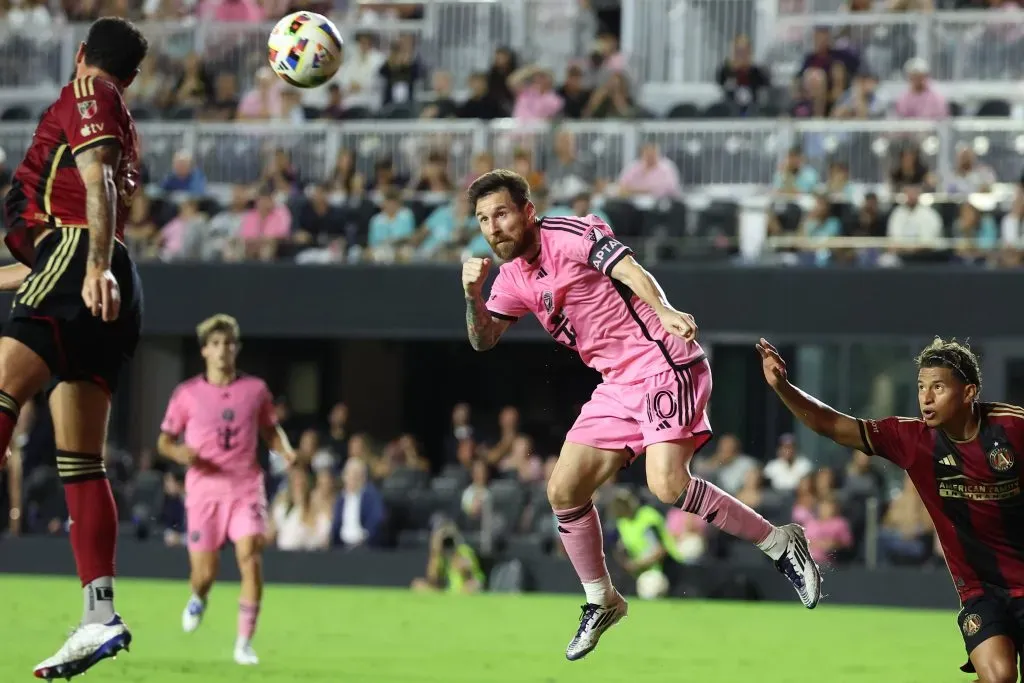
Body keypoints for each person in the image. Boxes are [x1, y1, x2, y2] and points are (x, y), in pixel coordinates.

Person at [461, 169, 821, 661]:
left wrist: (667, 310)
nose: (493, 227)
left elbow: (629, 269)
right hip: (618, 384)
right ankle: (601, 599)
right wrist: (471, 295)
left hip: (663, 360)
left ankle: (780, 543)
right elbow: (484, 340)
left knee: (668, 485)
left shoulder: (566, 235)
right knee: (563, 490)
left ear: (526, 211)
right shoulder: (511, 278)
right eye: (483, 219)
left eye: (501, 213)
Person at [0, 17, 147, 680]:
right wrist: (96, 264)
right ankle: (99, 616)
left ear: (82, 54)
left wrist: (92, 266)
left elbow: (98, 187)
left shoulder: (88, 93)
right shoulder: (116, 111)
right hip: (88, 266)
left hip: (80, 257)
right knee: (81, 462)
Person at [758, 335, 1024, 682]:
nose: (925, 398)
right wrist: (783, 386)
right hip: (978, 588)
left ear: (969, 393)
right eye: (921, 387)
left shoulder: (1013, 428)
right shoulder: (912, 439)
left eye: (938, 387)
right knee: (1000, 676)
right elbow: (831, 424)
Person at [157, 314, 296, 666]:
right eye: (216, 344)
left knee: (250, 553)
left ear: (237, 349)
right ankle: (198, 598)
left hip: (246, 487)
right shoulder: (186, 393)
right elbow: (164, 441)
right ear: (204, 350)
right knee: (205, 575)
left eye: (229, 344)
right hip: (204, 492)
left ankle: (244, 643)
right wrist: (178, 453)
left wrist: (286, 450)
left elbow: (270, 431)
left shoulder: (256, 390)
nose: (223, 351)